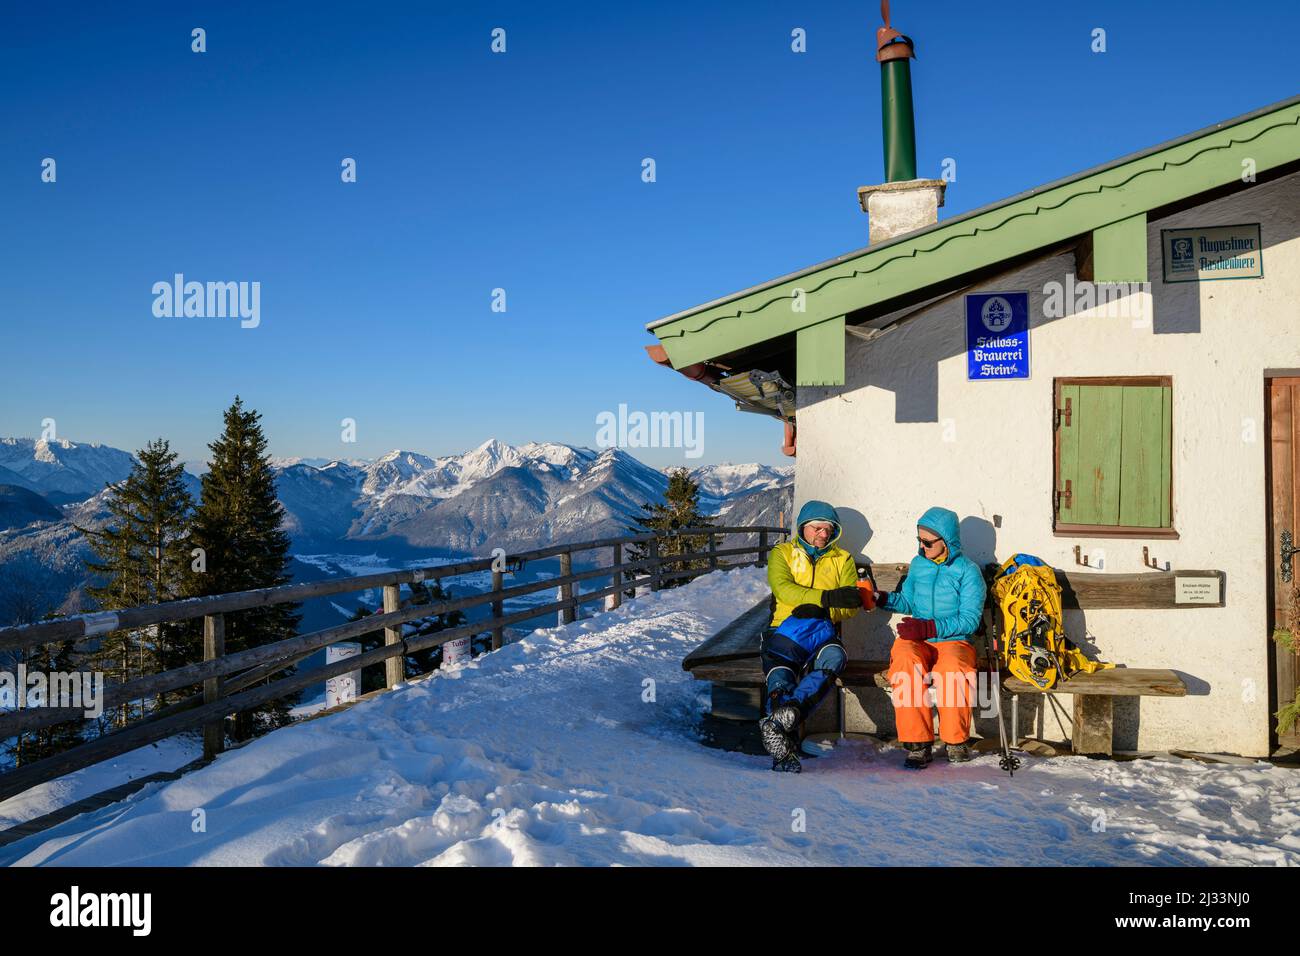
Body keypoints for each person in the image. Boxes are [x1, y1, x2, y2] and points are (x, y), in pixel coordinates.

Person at [869, 506, 986, 769]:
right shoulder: (919, 565)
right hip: (920, 640)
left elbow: (970, 620)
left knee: (953, 670)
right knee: (904, 662)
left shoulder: (968, 571)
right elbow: (908, 601)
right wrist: (882, 599)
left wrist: (928, 629)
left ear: (947, 541)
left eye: (928, 542)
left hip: (954, 639)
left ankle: (956, 741)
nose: (922, 547)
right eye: (919, 540)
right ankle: (917, 743)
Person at [758, 500, 866, 772]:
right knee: (781, 673)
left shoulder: (843, 559)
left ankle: (784, 718)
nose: (823, 534)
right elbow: (784, 590)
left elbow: (850, 606)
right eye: (818, 528)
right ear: (803, 527)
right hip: (785, 627)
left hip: (821, 630)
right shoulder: (782, 553)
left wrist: (820, 607)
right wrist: (826, 598)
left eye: (829, 530)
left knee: (834, 657)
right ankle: (783, 744)